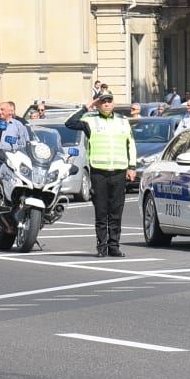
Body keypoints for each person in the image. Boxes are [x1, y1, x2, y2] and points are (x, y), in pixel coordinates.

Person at [64, 94, 136, 257]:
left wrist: (132, 167)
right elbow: (69, 123)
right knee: (101, 211)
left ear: (113, 104)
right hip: (99, 171)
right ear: (98, 104)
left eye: (109, 101)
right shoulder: (90, 120)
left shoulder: (123, 121)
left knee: (116, 211)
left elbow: (130, 144)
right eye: (103, 101)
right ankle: (102, 246)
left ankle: (114, 246)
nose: (106, 104)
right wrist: (87, 106)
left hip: (119, 170)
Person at [0, 100, 32, 174]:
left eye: (2, 110)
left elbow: (23, 144)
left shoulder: (18, 125)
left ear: (10, 112)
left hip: (13, 162)